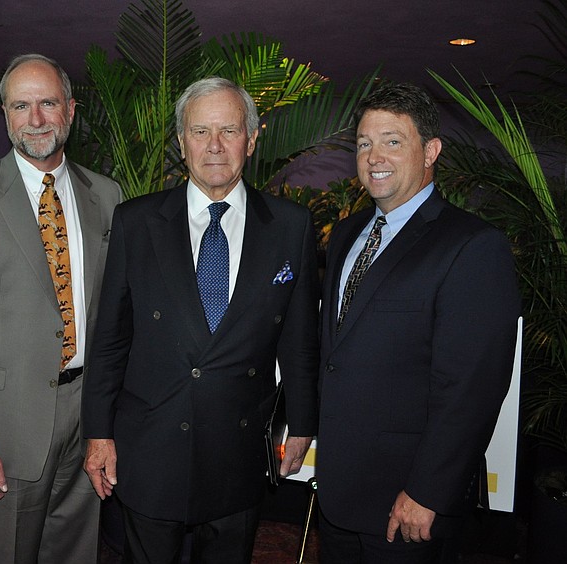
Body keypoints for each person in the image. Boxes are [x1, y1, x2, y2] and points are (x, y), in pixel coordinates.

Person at [82, 77, 320, 563]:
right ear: (180, 142)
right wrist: (98, 433)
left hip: (237, 446)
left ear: (251, 140)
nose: (214, 146)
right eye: (199, 131)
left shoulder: (291, 227)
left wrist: (301, 424)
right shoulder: (136, 221)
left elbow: (299, 339)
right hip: (151, 442)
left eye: (229, 131)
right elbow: (109, 338)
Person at [315, 83, 521, 563]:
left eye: (392, 140)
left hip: (408, 505)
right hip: (339, 497)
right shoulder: (346, 234)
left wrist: (429, 491)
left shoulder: (472, 247)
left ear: (431, 151)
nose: (373, 156)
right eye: (364, 143)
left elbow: (473, 387)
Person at [0, 53, 122, 563]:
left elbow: (113, 313)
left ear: (71, 111)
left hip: (87, 416)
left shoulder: (106, 196)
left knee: (76, 552)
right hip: (6, 426)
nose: (35, 120)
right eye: (21, 106)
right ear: (5, 114)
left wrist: (107, 422)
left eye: (48, 103)